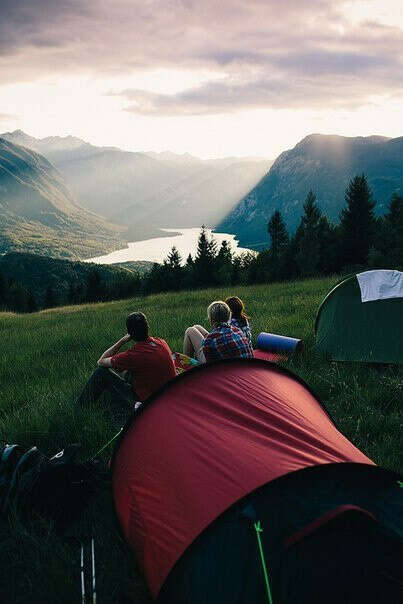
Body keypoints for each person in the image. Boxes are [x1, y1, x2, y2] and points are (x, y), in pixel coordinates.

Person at [76, 311, 176, 406]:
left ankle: (80, 406)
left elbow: (101, 361)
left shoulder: (133, 355)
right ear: (147, 327)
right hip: (170, 394)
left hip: (148, 404)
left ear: (130, 333)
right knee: (127, 372)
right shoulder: (161, 342)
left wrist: (122, 341)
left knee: (101, 373)